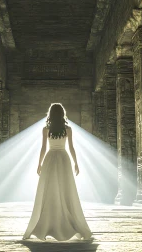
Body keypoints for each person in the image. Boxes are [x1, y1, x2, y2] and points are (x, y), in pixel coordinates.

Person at [23, 103, 92, 241]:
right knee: (66, 189)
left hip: (50, 158)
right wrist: (76, 162)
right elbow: (71, 148)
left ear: (50, 114)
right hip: (63, 158)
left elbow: (43, 148)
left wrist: (40, 163)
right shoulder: (68, 129)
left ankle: (49, 223)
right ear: (62, 114)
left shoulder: (45, 129)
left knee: (49, 190)